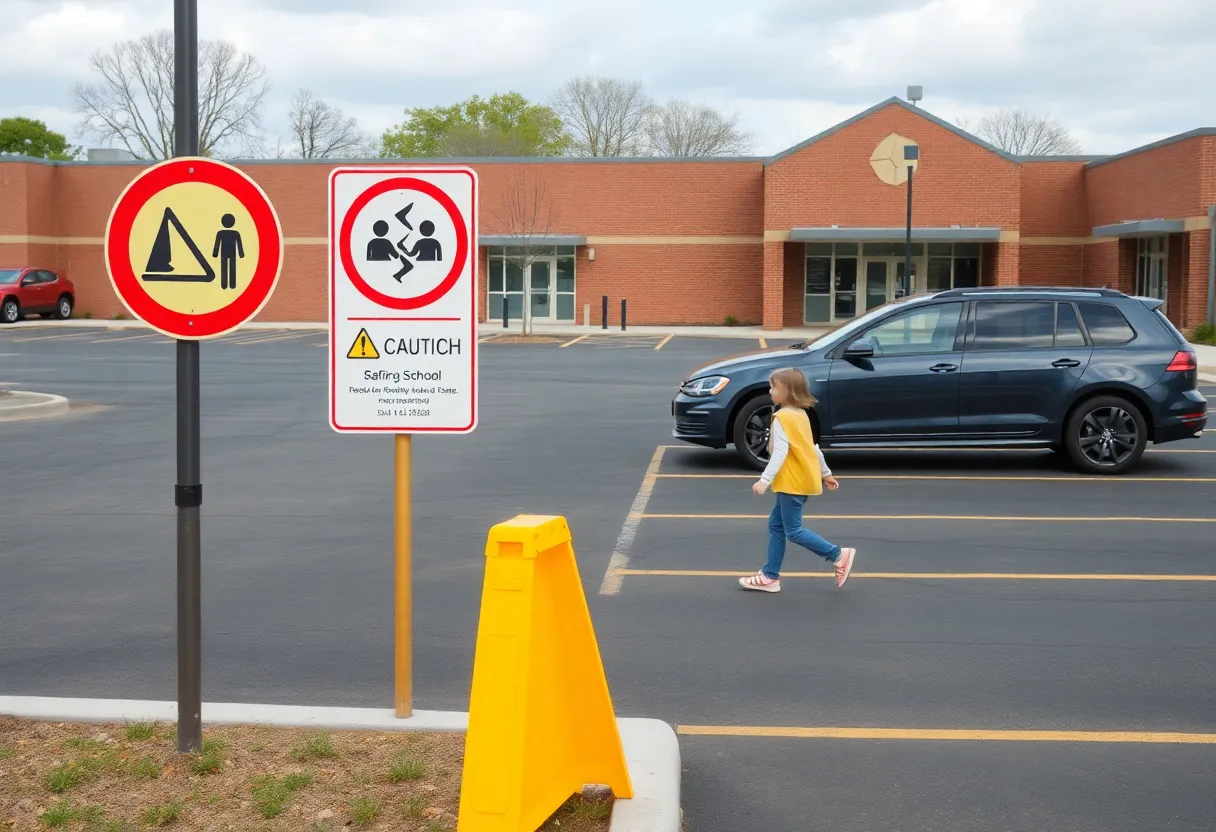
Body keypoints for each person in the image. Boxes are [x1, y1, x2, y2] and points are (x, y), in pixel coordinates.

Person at [739, 367, 856, 594]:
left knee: (793, 530)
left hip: (792, 482)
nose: (770, 390)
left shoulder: (782, 417)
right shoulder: (801, 415)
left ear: (788, 392)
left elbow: (780, 452)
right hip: (800, 480)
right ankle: (770, 576)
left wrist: (764, 480)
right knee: (776, 526)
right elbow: (812, 449)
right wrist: (826, 473)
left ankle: (838, 555)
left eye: (774, 387)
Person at [212, 213, 244, 290]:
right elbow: (239, 245)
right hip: (232, 254)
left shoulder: (221, 233)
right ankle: (232, 285)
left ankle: (224, 284)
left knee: (224, 268)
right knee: (232, 268)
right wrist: (241, 254)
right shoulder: (235, 233)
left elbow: (217, 244)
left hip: (224, 254)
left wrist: (215, 254)